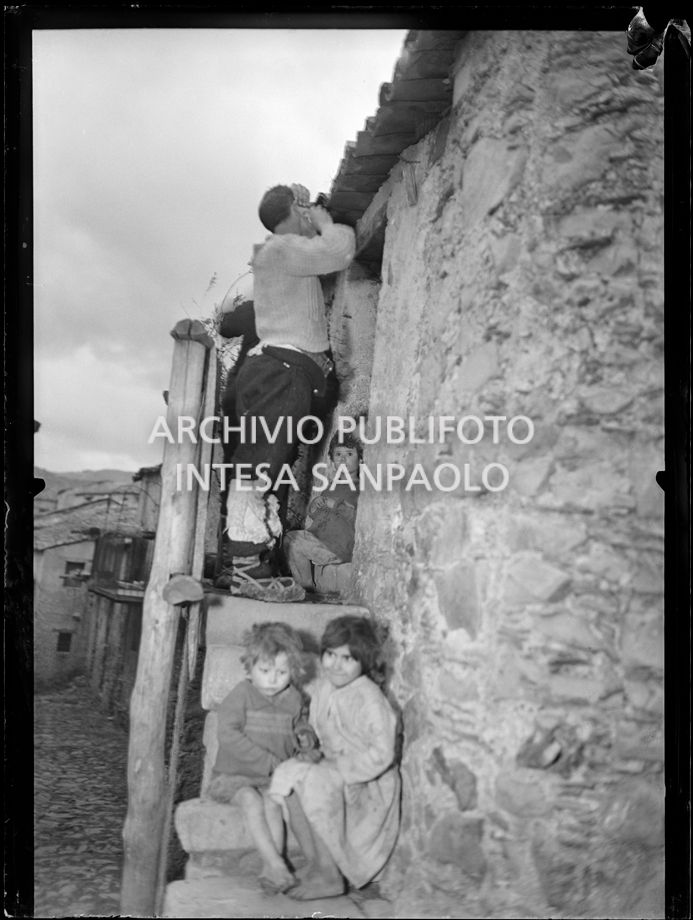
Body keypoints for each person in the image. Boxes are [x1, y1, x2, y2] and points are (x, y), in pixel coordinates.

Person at [223, 184, 355, 601]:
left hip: (283, 371)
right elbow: (341, 250)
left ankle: (252, 562)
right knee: (259, 467)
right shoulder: (282, 248)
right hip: (280, 371)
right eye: (305, 206)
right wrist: (325, 221)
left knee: (267, 465)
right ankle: (244, 565)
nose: (310, 212)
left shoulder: (281, 254)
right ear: (295, 210)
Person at [268, 615, 401, 900]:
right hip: (330, 765)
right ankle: (318, 864)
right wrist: (308, 736)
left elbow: (382, 754)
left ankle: (330, 877)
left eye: (347, 658)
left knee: (316, 781)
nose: (335, 665)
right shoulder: (325, 688)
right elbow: (317, 727)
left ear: (363, 662)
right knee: (287, 775)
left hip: (368, 780)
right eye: (330, 655)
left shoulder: (369, 699)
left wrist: (335, 765)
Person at [206, 622, 318, 894]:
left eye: (282, 672)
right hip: (232, 777)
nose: (272, 679)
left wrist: (305, 735)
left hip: (270, 778)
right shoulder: (241, 695)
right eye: (265, 671)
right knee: (251, 801)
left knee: (273, 804)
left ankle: (271, 869)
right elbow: (228, 735)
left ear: (293, 671)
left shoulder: (293, 698)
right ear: (250, 667)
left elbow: (300, 723)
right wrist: (267, 761)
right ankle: (276, 863)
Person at [283, 432, 362, 592]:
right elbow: (319, 516)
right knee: (289, 539)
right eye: (338, 454)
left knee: (295, 542)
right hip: (320, 542)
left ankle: (306, 588)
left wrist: (334, 505)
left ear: (360, 459)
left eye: (349, 454)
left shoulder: (361, 489)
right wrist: (315, 506)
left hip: (338, 547)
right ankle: (305, 585)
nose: (342, 459)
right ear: (332, 460)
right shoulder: (331, 486)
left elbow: (357, 519)